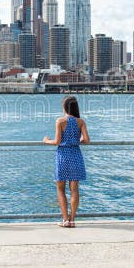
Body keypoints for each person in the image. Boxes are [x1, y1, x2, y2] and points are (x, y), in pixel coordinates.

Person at [43, 96, 90, 227]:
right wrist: (75, 141)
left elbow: (57, 141)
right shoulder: (80, 122)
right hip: (75, 155)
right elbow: (87, 140)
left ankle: (65, 220)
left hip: (63, 156)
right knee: (74, 190)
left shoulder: (60, 121)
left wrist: (46, 140)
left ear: (64, 107)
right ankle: (73, 219)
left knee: (61, 189)